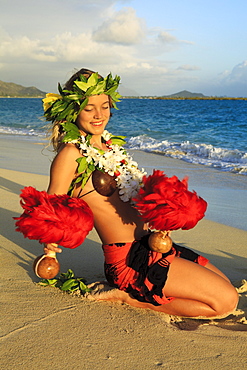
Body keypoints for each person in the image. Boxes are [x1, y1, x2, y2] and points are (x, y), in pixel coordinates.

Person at [43, 68, 238, 318]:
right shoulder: (71, 154)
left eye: (105, 106)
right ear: (73, 109)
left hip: (152, 244)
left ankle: (152, 291)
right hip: (128, 260)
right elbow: (51, 207)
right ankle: (130, 297)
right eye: (89, 108)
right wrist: (49, 249)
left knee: (225, 286)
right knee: (226, 302)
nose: (99, 115)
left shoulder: (110, 146)